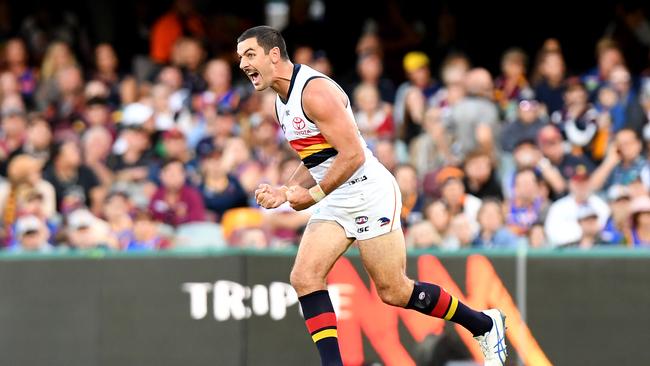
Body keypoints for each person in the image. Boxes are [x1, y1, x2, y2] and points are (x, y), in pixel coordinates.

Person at [236, 26, 507, 366]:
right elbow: (315, 156)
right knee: (304, 277)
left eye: (249, 55)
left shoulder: (314, 92)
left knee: (394, 291)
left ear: (273, 55)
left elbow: (353, 155)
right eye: (240, 57)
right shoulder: (280, 101)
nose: (243, 64)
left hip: (368, 192)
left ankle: (483, 324)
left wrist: (314, 194)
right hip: (337, 196)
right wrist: (286, 188)